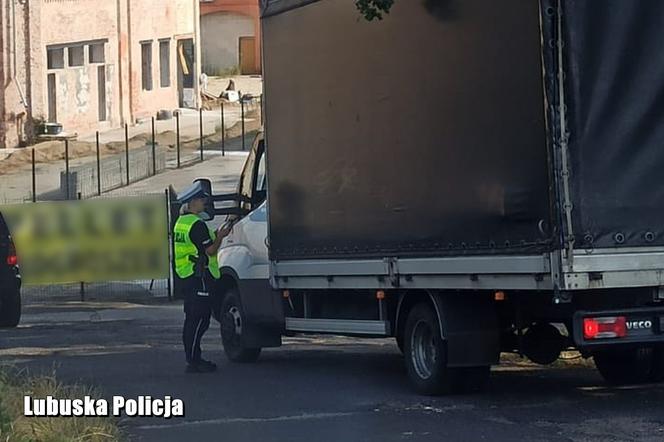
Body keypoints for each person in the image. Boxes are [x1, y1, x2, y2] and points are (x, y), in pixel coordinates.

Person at [173, 182, 232, 373]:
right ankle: (194, 360)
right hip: (199, 277)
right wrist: (221, 237)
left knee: (192, 318)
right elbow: (210, 249)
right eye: (201, 200)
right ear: (191, 203)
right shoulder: (196, 224)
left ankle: (193, 357)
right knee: (199, 320)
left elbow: (197, 243)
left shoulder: (182, 222)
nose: (204, 203)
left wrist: (215, 234)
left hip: (187, 275)